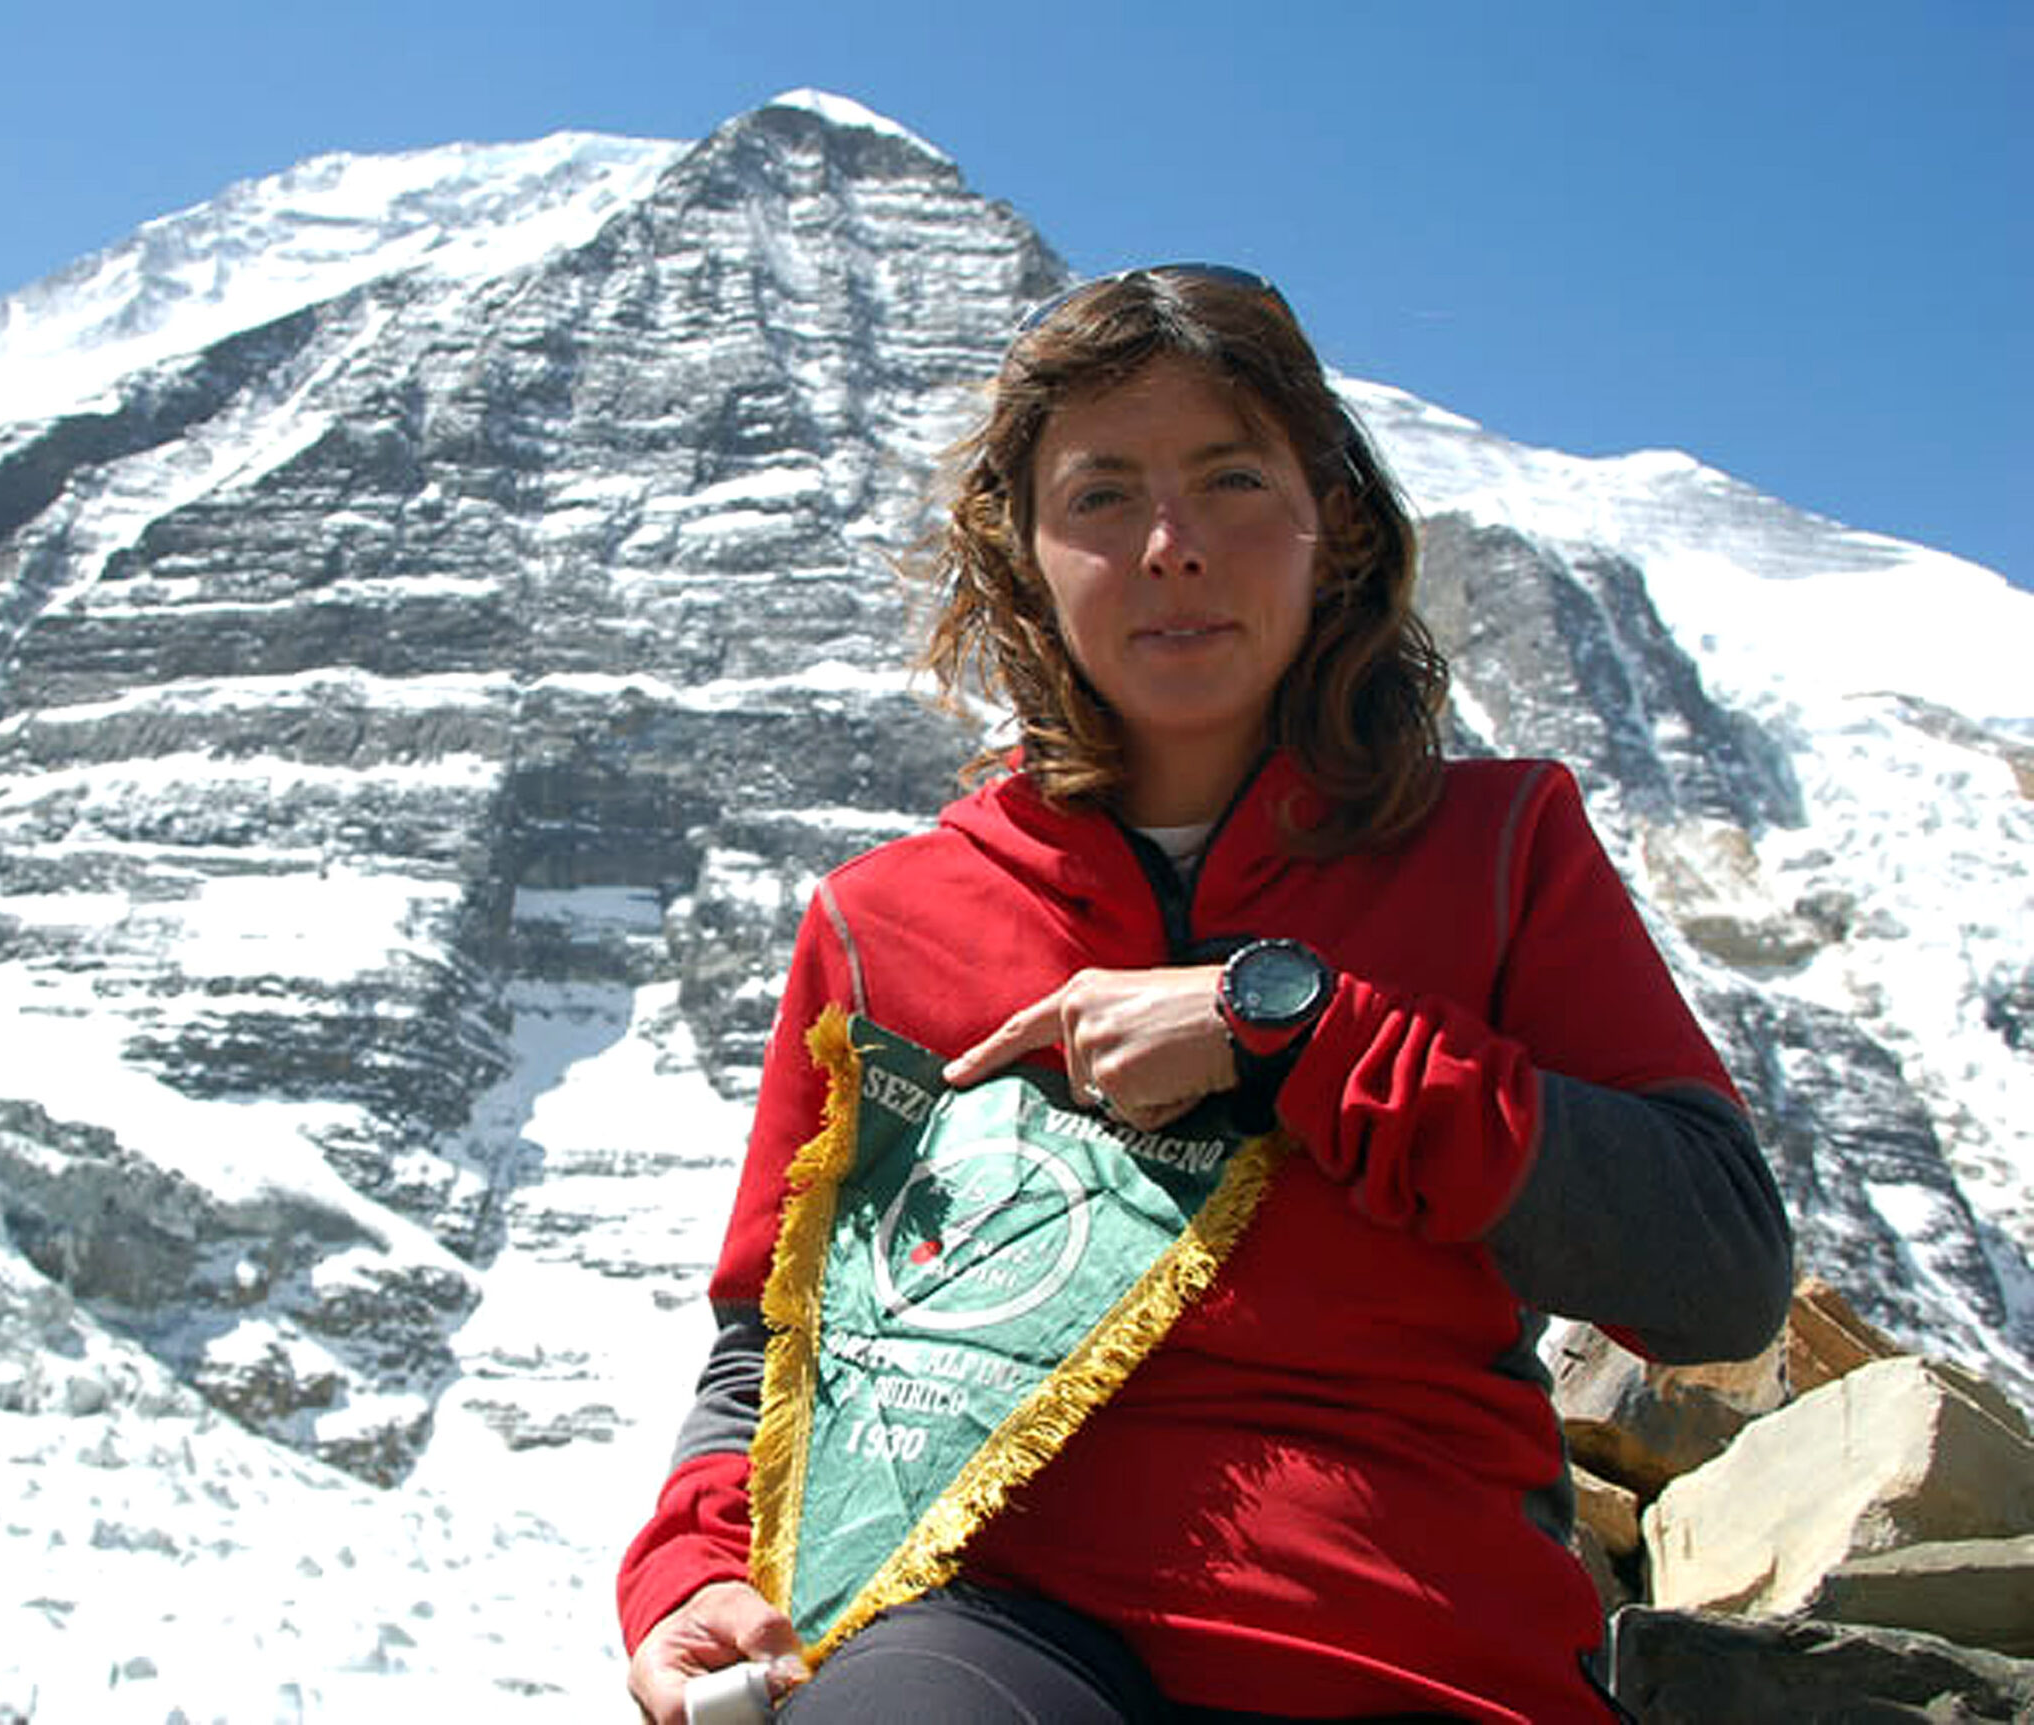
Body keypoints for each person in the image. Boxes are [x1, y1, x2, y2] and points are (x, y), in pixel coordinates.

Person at [617, 265, 1793, 1724]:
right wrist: (688, 1571)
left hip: (1398, 1623)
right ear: (1024, 549)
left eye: (1232, 480)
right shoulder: (880, 924)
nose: (1171, 547)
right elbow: (777, 1344)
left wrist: (1291, 1029)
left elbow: (1718, 1269)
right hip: (980, 1622)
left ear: (1334, 521)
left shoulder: (1500, 850)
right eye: (1102, 496)